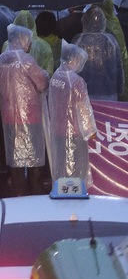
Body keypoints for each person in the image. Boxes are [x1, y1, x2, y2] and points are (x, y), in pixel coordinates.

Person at [0, 24, 49, 195]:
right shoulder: (26, 60)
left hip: (8, 116)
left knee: (15, 157)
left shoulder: (1, 60)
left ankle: (19, 194)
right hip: (30, 116)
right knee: (33, 157)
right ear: (22, 39)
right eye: (29, 40)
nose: (30, 44)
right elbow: (42, 83)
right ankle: (34, 192)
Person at [46, 42, 97, 184]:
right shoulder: (76, 81)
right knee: (76, 170)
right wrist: (90, 131)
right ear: (73, 59)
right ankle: (75, 199)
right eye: (79, 60)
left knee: (62, 168)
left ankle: (62, 197)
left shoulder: (55, 77)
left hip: (57, 131)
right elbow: (84, 108)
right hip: (75, 133)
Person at [75, 5, 124, 100]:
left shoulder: (78, 40)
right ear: (103, 21)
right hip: (109, 94)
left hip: (83, 95)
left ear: (85, 20)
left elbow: (72, 69)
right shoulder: (110, 41)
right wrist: (120, 89)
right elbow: (119, 68)